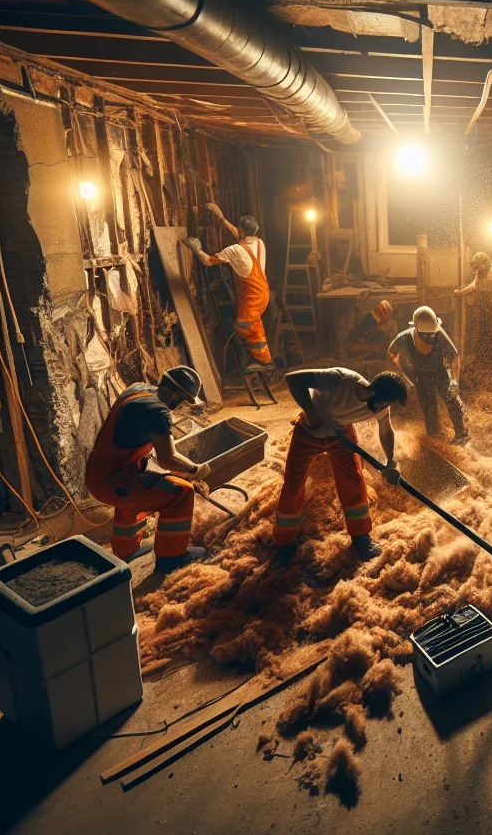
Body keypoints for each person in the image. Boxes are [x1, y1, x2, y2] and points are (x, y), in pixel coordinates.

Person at [272, 368, 408, 564]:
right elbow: (293, 379)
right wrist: (311, 413)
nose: (385, 408)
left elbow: (386, 428)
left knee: (354, 480)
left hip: (341, 435)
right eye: (385, 402)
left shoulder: (380, 406)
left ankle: (361, 538)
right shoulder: (339, 379)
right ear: (374, 392)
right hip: (309, 432)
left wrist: (391, 462)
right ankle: (284, 542)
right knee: (293, 484)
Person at [85, 366, 211, 574]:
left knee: (139, 488)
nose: (180, 405)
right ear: (177, 395)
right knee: (182, 492)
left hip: (101, 474)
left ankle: (126, 551)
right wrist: (195, 469)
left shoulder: (137, 390)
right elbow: (168, 459)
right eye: (182, 400)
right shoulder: (158, 411)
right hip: (114, 483)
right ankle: (171, 559)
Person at [186, 204, 273, 369]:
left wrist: (196, 249)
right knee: (249, 325)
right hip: (263, 292)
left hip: (251, 296)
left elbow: (208, 261)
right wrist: (222, 219)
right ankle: (254, 358)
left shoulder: (235, 250)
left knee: (246, 324)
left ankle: (263, 361)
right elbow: (239, 237)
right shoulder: (258, 242)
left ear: (241, 230)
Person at [388, 306, 468, 444]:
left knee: (451, 399)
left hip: (440, 372)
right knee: (428, 408)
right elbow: (390, 354)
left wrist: (455, 380)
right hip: (421, 376)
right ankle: (435, 437)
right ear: (417, 330)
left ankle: (461, 435)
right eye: (426, 335)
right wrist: (402, 377)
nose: (431, 337)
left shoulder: (439, 334)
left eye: (433, 334)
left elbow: (454, 355)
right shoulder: (404, 338)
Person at [453, 252, 492, 373]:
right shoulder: (483, 270)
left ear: (484, 264)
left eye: (478, 268)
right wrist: (464, 290)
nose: (476, 271)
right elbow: (475, 283)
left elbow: (476, 288)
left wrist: (460, 293)